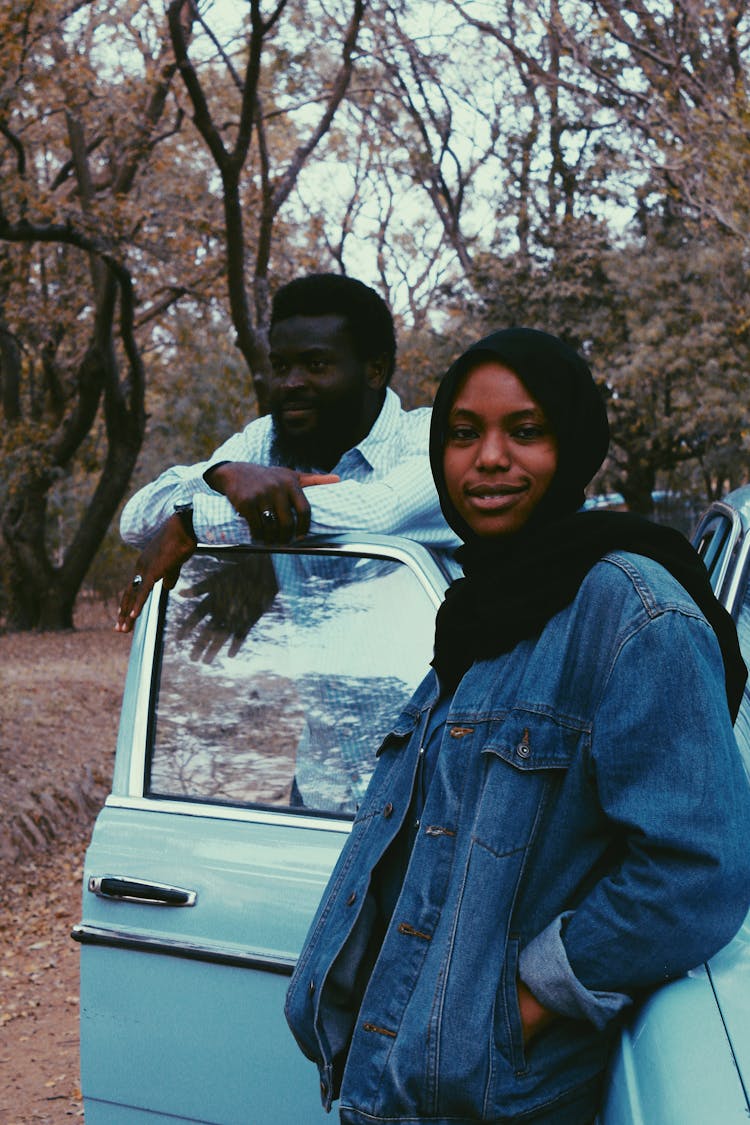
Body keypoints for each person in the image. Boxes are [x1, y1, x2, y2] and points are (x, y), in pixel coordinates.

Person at [284, 327, 750, 1124]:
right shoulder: (482, 608)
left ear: (571, 442)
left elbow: (694, 867)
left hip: (499, 1097)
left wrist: (521, 1002)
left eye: (525, 431)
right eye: (464, 433)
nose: (489, 458)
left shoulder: (631, 606)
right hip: (393, 1080)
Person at [116, 273, 458, 632]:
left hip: (439, 686)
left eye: (316, 365)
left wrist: (193, 523)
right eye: (281, 366)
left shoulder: (435, 439)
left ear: (375, 370)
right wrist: (221, 474)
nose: (291, 382)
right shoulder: (265, 439)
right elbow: (136, 522)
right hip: (309, 686)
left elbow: (377, 514)